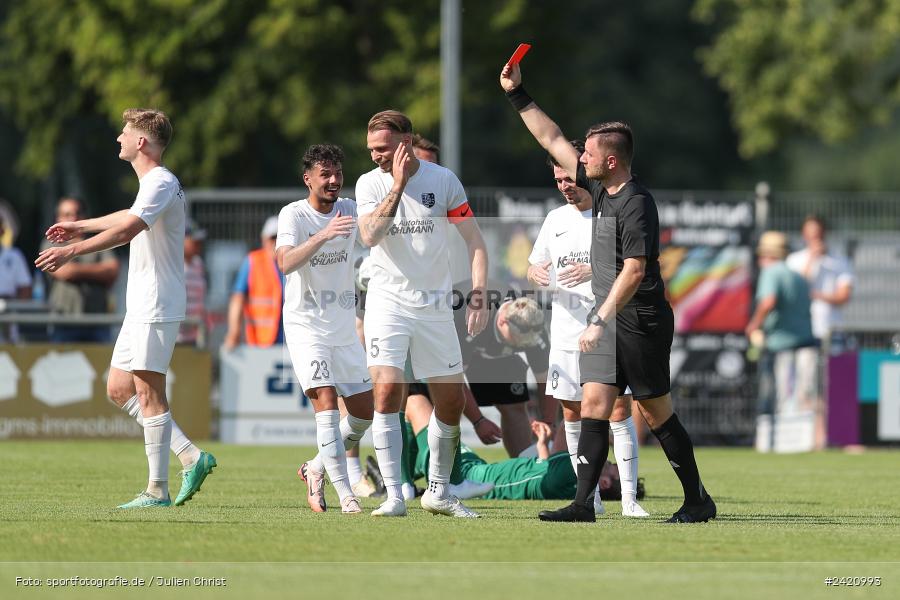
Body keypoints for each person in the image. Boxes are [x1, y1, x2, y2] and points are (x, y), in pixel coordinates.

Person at [500, 61, 715, 523]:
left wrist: (598, 320)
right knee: (595, 406)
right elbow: (551, 139)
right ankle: (583, 506)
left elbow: (635, 270)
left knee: (656, 414)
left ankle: (698, 499)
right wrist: (518, 94)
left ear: (611, 161)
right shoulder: (602, 192)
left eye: (590, 155)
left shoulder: (635, 203)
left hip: (640, 321)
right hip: (610, 319)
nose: (581, 161)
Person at [36, 108, 216, 508]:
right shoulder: (153, 184)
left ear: (141, 142)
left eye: (125, 133)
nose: (118, 138)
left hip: (156, 302)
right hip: (141, 305)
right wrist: (81, 226)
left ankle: (157, 490)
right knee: (119, 388)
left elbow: (130, 228)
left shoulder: (162, 181)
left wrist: (73, 250)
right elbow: (130, 216)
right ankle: (191, 455)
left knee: (149, 391)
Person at [356, 109, 489, 518]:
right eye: (371, 150)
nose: (376, 156)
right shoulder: (369, 183)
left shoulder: (443, 180)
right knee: (386, 391)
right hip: (387, 302)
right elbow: (369, 235)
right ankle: (395, 494)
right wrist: (395, 184)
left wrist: (480, 293)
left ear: (406, 142)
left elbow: (475, 240)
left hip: (435, 306)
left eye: (383, 148)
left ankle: (438, 490)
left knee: (450, 402)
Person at [528, 142, 648, 517]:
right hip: (565, 330)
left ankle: (629, 500)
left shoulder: (609, 212)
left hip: (609, 327)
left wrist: (594, 271)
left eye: (568, 176)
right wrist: (535, 273)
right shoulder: (554, 220)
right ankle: (589, 497)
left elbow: (634, 266)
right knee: (572, 413)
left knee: (617, 410)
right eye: (557, 179)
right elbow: (535, 268)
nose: (564, 185)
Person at [276, 144, 375, 514]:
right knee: (327, 405)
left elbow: (375, 231)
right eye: (325, 175)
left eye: (337, 174)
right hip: (306, 327)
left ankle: (315, 467)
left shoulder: (350, 208)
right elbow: (284, 263)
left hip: (342, 327)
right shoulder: (294, 215)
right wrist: (323, 235)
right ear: (308, 179)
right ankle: (345, 493)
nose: (333, 181)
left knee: (365, 412)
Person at [403, 394, 637, 503]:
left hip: (465, 475)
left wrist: (603, 431)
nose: (609, 461)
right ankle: (407, 478)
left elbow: (570, 424)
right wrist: (542, 446)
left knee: (415, 402)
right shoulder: (570, 483)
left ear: (604, 482)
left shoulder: (572, 472)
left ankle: (403, 482)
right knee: (426, 418)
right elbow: (545, 467)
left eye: (611, 467)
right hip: (476, 470)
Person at [746, 232, 818, 426]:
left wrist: (754, 324)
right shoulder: (799, 278)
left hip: (780, 345)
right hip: (805, 342)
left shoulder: (771, 273)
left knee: (781, 395)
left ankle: (780, 439)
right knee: (804, 395)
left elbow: (768, 301)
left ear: (766, 255)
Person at [41, 197, 120, 343]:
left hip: (97, 321)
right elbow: (65, 273)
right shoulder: (51, 242)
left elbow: (113, 271)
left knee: (102, 365)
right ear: (58, 218)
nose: (73, 218)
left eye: (77, 213)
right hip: (64, 321)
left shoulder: (98, 240)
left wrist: (74, 266)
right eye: (67, 214)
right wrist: (98, 272)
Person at [786, 215, 854, 349]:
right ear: (804, 235)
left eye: (818, 234)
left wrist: (816, 295)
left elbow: (844, 296)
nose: (815, 238)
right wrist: (812, 259)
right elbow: (795, 291)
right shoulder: (794, 260)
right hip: (802, 331)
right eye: (811, 234)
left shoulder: (840, 261)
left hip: (831, 328)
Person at [223, 216, 284, 350]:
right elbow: (237, 299)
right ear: (264, 240)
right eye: (273, 238)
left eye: (281, 237)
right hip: (261, 342)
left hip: (293, 342)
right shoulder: (253, 262)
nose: (276, 242)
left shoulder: (296, 262)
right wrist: (234, 332)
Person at [0, 213, 32, 342]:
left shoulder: (15, 256)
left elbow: (26, 290)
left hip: (8, 325)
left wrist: (9, 304)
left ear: (2, 230)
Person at [177, 219, 207, 345]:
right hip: (174, 338)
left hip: (194, 337)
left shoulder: (198, 264)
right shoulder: (173, 265)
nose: (198, 243)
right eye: (193, 239)